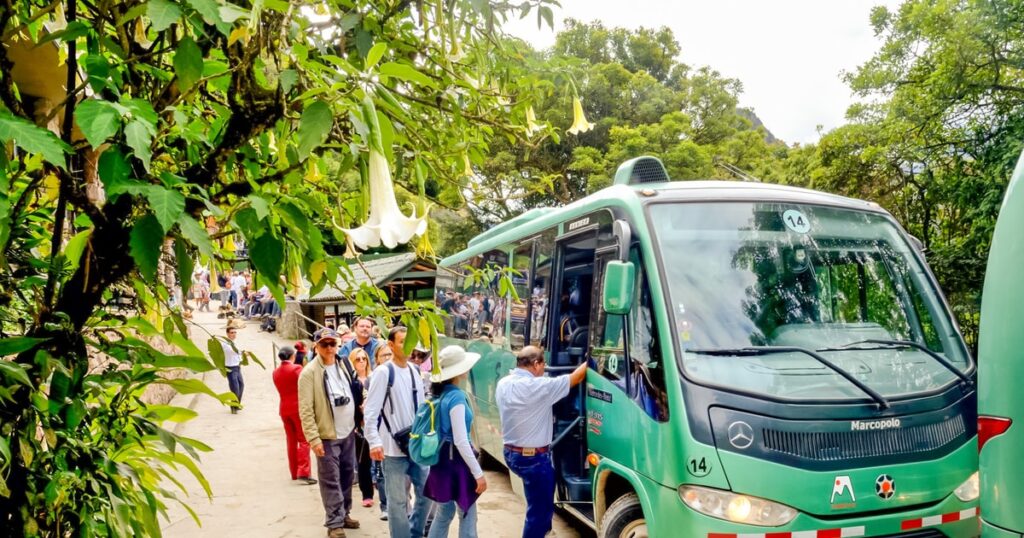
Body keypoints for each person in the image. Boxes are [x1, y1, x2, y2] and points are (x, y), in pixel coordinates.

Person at [495, 346, 587, 538]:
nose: (545, 368)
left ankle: (545, 533)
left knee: (537, 506)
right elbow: (576, 377)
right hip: (533, 460)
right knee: (538, 513)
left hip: (511, 453)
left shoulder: (503, 383)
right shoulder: (539, 387)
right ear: (536, 364)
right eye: (543, 363)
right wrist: (595, 357)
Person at [363, 327, 431, 537]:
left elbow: (420, 408)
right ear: (391, 345)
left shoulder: (414, 370)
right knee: (397, 501)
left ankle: (416, 532)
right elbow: (371, 411)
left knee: (427, 493)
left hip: (416, 445)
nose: (408, 346)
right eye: (402, 342)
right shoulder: (384, 372)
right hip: (392, 449)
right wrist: (374, 441)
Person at [299, 329, 362, 538]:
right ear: (316, 346)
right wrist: (313, 438)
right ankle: (334, 523)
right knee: (330, 480)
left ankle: (344, 514)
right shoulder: (309, 373)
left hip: (348, 431)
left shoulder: (344, 363)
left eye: (332, 344)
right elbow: (306, 409)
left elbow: (355, 388)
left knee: (347, 475)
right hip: (327, 435)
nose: (329, 348)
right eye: (324, 344)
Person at [424, 346, 486, 538]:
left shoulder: (440, 393)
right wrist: (478, 473)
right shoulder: (457, 396)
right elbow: (461, 440)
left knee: (444, 513)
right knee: (467, 514)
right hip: (457, 462)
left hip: (441, 459)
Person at [273, 346, 317, 485]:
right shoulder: (296, 369)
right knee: (304, 440)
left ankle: (294, 472)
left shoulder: (275, 372)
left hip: (284, 407)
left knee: (291, 441)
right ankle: (303, 471)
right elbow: (306, 384)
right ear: (292, 356)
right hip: (297, 407)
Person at [349, 348, 376, 509]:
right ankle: (367, 493)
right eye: (357, 359)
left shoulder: (374, 378)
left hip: (376, 424)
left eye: (363, 358)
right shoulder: (351, 382)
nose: (361, 362)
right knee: (364, 461)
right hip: (360, 425)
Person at [371, 343, 394, 520]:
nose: (387, 358)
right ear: (377, 359)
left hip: (396, 435)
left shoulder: (397, 374)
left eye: (389, 354)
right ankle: (385, 505)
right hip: (380, 432)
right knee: (381, 472)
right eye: (383, 355)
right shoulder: (374, 378)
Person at [221, 319, 245, 414]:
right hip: (230, 368)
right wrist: (243, 353)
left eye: (235, 332)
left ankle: (237, 404)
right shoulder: (225, 343)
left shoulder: (234, 342)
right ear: (227, 334)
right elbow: (233, 351)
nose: (234, 334)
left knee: (241, 385)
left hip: (237, 367)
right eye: (232, 333)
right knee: (235, 388)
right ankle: (233, 407)